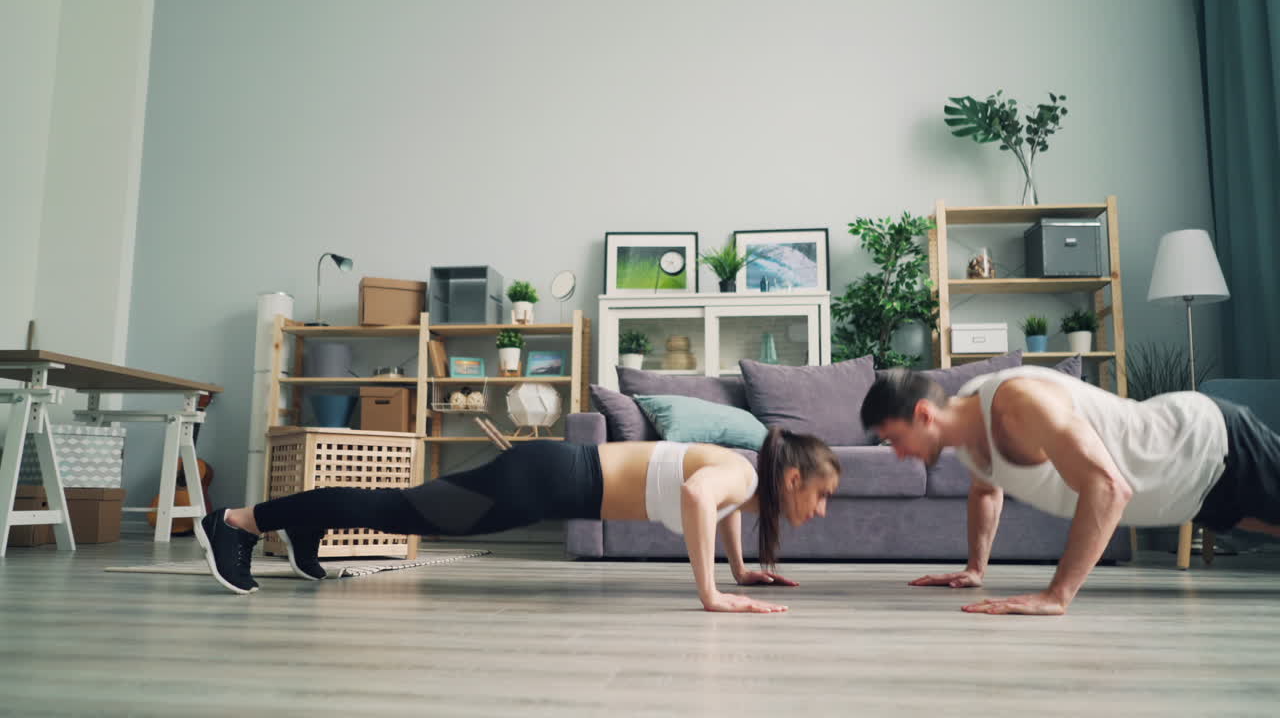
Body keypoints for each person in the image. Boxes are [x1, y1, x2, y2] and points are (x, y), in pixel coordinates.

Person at [196, 427, 840, 613]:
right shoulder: (741, 475)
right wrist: (712, 594)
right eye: (822, 495)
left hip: (548, 478)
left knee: (400, 509)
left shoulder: (744, 480)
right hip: (542, 481)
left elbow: (720, 509)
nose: (821, 509)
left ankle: (302, 526)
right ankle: (239, 521)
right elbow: (700, 497)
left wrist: (740, 570)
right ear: (792, 479)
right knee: (400, 510)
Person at [860, 365, 1280, 616]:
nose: (897, 454)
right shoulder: (967, 437)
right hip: (1192, 495)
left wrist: (1056, 595)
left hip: (1207, 444)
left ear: (924, 415)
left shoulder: (1018, 402)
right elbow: (986, 492)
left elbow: (1108, 486)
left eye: (895, 439)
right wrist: (975, 569)